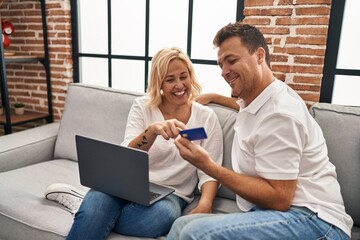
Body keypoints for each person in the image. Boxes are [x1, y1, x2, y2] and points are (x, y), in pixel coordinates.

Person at [167, 22, 353, 239]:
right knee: (182, 225)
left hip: (316, 220)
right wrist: (214, 97)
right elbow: (244, 106)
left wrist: (207, 165)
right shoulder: (259, 99)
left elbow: (279, 198)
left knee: (195, 233)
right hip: (277, 214)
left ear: (259, 55)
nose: (224, 72)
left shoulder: (279, 114)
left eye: (232, 60)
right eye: (220, 65)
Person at [46, 47, 223, 239]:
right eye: (170, 79)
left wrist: (205, 204)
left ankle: (86, 208)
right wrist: (153, 130)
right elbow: (126, 155)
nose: (180, 85)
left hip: (172, 194)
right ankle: (91, 210)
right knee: (96, 205)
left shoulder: (206, 117)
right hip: (125, 183)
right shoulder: (142, 106)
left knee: (162, 217)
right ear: (159, 83)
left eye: (184, 76)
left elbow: (210, 171)